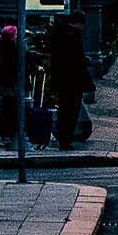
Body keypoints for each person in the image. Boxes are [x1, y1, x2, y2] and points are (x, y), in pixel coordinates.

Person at [48, 14, 93, 151]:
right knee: (71, 111)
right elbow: (74, 59)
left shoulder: (60, 34)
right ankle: (66, 140)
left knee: (64, 109)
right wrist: (84, 62)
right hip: (73, 80)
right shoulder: (73, 36)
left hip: (62, 80)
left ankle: (64, 139)